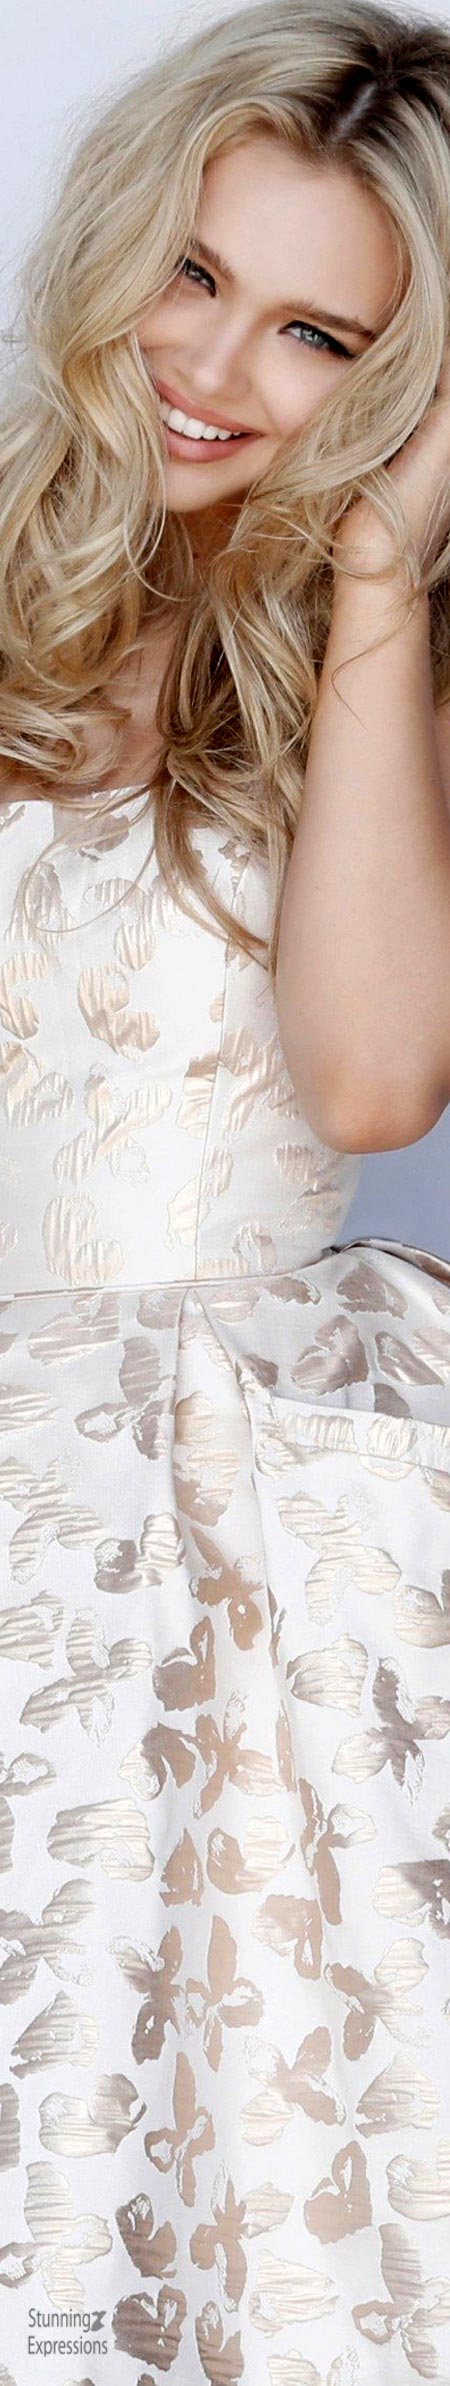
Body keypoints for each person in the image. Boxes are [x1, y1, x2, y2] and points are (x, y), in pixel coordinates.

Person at [1, 1, 450, 2376]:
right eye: (194, 273)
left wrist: (377, 575)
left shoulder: (387, 660)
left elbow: (372, 1078)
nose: (212, 365)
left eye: (315, 333)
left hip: (226, 1526)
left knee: (232, 2149)